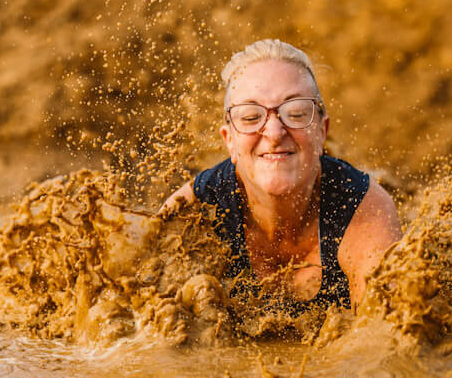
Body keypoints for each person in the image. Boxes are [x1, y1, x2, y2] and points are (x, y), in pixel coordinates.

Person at [161, 39, 402, 312]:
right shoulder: (192, 213)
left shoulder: (364, 210)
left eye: (296, 113)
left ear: (322, 131)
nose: (274, 133)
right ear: (229, 140)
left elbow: (385, 329)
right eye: (251, 117)